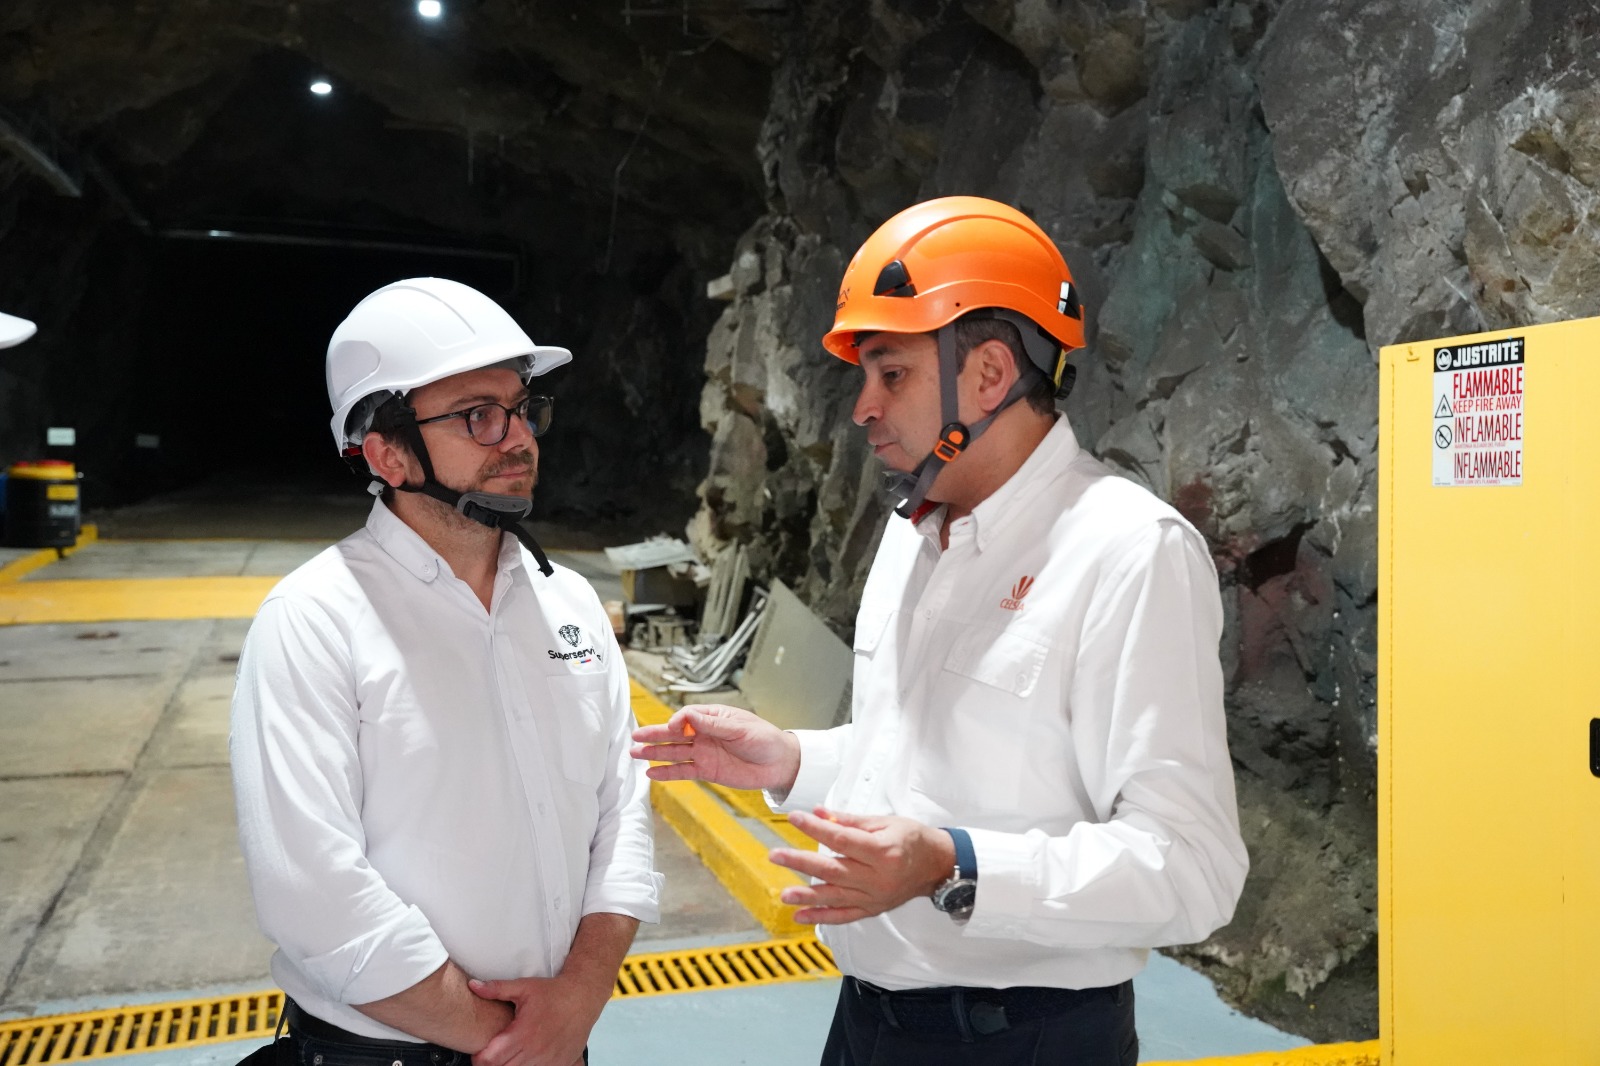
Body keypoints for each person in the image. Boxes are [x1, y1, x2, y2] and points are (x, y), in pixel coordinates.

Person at [633, 197, 1248, 1065]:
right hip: (868, 1022)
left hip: (1022, 1041)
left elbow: (1191, 868)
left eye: (891, 374)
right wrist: (795, 761)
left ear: (990, 374)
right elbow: (936, 764)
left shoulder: (1128, 553)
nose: (863, 409)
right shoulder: (916, 530)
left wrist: (954, 866)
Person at [231, 277, 659, 1066]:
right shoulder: (315, 618)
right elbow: (310, 892)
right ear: (388, 453)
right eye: (477, 415)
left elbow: (621, 811)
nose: (518, 437)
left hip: (556, 1040)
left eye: (522, 408)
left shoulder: (571, 604)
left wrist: (578, 998)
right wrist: (513, 1042)